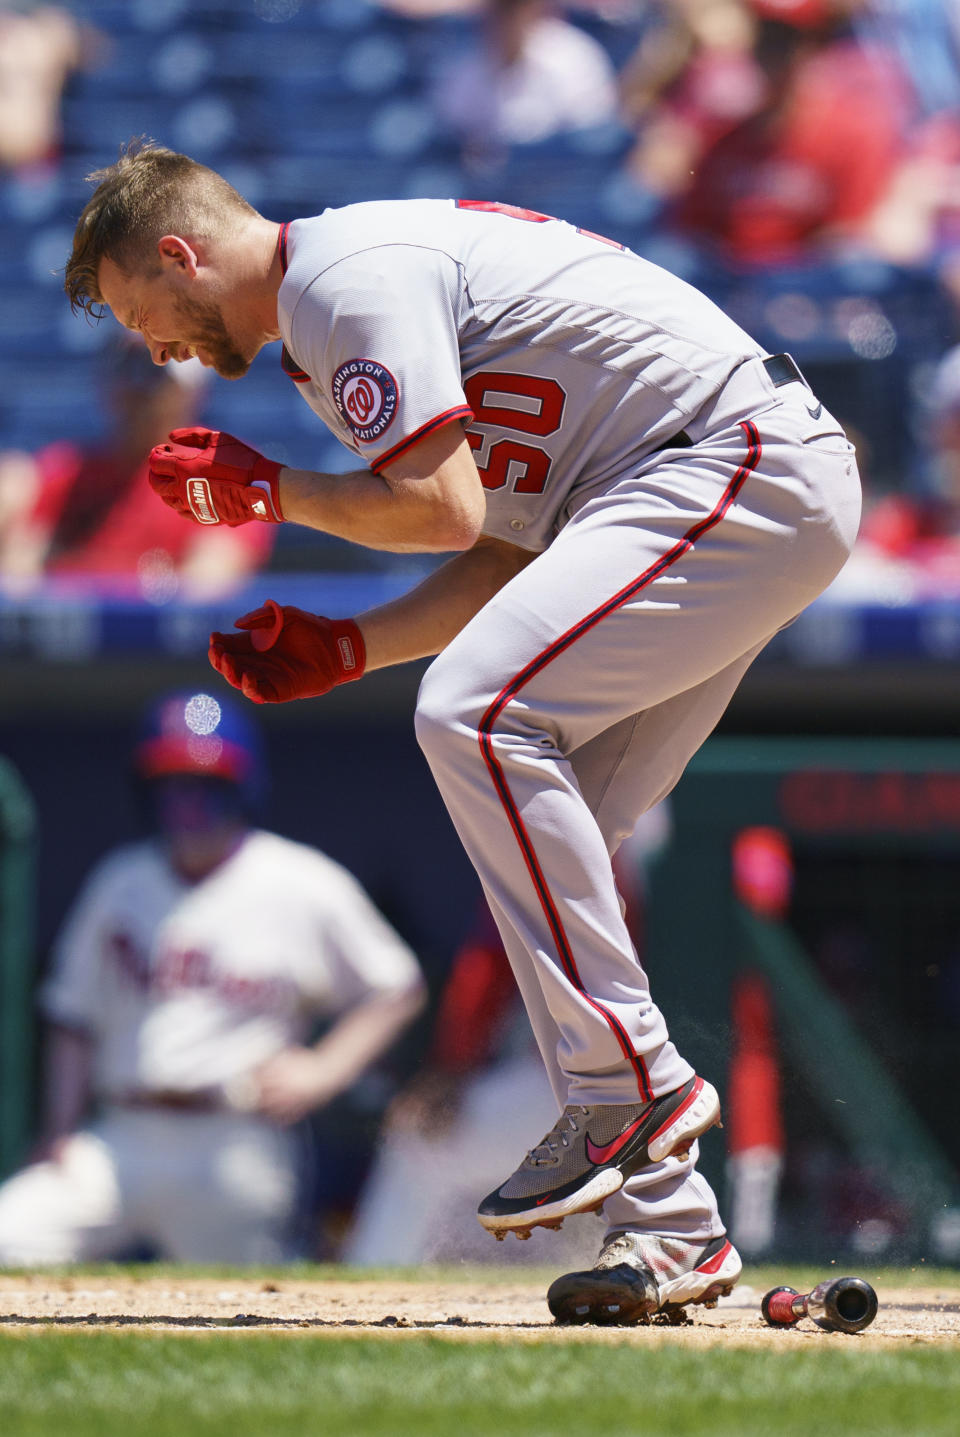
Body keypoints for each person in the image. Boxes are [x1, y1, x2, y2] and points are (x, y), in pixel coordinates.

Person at [62, 141, 861, 1323]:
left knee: (479, 713)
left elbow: (441, 510)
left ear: (182, 255)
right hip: (688, 485)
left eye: (146, 313)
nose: (157, 348)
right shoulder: (331, 310)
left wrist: (270, 490)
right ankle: (671, 1232)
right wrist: (353, 645)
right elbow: (502, 542)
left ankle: (626, 1083)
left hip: (725, 461)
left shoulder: (341, 280)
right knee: (559, 834)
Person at [0, 689, 426, 1265]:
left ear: (241, 789)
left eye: (207, 785)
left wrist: (323, 1070)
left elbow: (396, 986)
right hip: (121, 1133)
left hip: (236, 1137)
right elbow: (74, 1016)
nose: (188, 803)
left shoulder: (297, 879)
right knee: (10, 1236)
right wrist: (59, 1128)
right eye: (173, 785)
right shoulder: (121, 881)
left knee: (253, 1310)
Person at [0, 337, 272, 597]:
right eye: (125, 370)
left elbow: (205, 593)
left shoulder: (226, 477)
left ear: (190, 392)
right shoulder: (68, 473)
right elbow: (20, 578)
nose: (136, 389)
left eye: (154, 373)